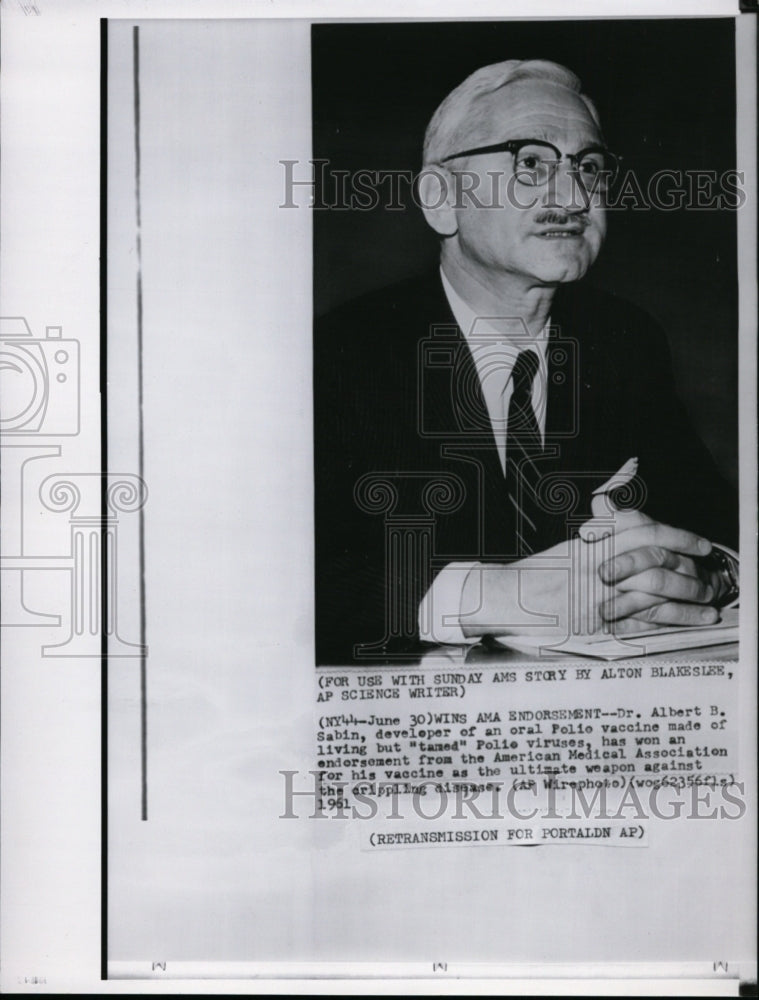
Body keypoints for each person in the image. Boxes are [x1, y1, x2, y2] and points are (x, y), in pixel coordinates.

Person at [314, 59, 738, 665]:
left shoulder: (623, 340)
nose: (572, 195)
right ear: (441, 200)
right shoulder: (339, 353)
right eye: (531, 163)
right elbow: (282, 578)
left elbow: (712, 518)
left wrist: (703, 573)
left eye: (588, 167)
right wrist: (496, 594)